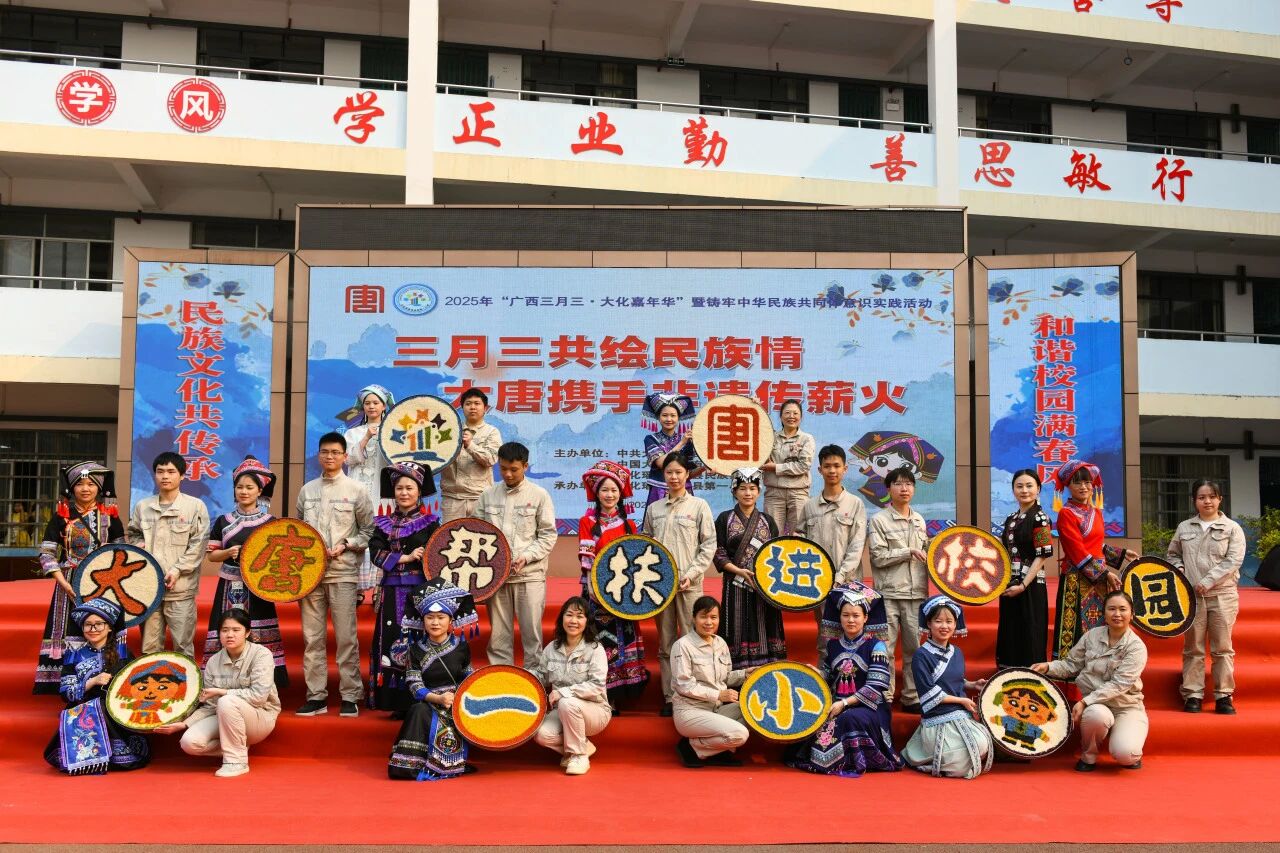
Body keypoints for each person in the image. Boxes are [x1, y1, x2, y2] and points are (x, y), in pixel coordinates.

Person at [295, 432, 376, 718]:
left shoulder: (356, 490)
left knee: (346, 638)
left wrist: (347, 545)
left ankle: (350, 695)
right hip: (311, 575)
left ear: (344, 456)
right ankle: (316, 696)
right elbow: (298, 532)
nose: (329, 457)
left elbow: (368, 530)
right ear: (319, 455)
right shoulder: (307, 491)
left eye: (335, 452)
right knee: (312, 638)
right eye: (325, 452)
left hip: (342, 572)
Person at [786, 587, 903, 776]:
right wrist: (815, 673)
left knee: (849, 718)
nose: (851, 620)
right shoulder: (833, 645)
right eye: (846, 615)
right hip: (837, 703)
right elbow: (829, 676)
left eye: (856, 616)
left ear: (865, 618)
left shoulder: (876, 646)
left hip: (869, 707)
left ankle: (848, 760)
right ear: (839, 617)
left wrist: (845, 703)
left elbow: (876, 686)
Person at [155, 609, 280, 777]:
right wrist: (185, 724)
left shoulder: (261, 654)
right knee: (189, 743)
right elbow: (210, 706)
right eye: (225, 630)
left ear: (247, 632)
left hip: (259, 716)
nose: (230, 635)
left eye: (236, 630)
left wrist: (222, 691)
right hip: (225, 715)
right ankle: (238, 746)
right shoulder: (213, 662)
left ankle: (236, 762)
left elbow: (258, 697)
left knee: (227, 700)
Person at [1034, 591, 1149, 772]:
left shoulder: (1136, 647)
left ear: (1132, 614)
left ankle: (1123, 735)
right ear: (1104, 613)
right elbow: (1071, 665)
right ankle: (1089, 755)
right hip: (1098, 705)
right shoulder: (1092, 636)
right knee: (1095, 715)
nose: (1117, 614)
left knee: (1126, 755)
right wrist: (1048, 667)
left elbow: (1120, 684)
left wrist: (1084, 701)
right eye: (1111, 609)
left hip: (1126, 706)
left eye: (1122, 609)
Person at [35, 461, 124, 694]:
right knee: (69, 627)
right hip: (70, 581)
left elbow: (122, 553)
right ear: (72, 488)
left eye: (91, 484)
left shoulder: (110, 517)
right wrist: (63, 583)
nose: (85, 489)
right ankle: (64, 681)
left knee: (102, 625)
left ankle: (106, 676)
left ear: (99, 488)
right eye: (80, 484)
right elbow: (47, 553)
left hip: (102, 583)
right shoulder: (61, 516)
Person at [643, 452, 717, 716]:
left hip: (690, 584)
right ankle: (670, 696)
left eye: (678, 472)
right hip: (660, 587)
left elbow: (708, 545)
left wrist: (692, 574)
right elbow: (645, 545)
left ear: (687, 475)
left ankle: (693, 695)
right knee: (666, 643)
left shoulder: (699, 506)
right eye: (669, 472)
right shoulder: (653, 509)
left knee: (692, 639)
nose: (674, 477)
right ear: (663, 475)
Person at [203, 457, 287, 688]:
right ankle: (221, 683)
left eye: (250, 487)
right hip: (229, 585)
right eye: (239, 487)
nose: (244, 491)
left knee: (258, 630)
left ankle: (262, 685)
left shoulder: (270, 523)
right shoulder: (224, 521)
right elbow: (212, 556)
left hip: (259, 588)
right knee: (228, 629)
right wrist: (228, 552)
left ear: (260, 491)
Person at [1167, 479, 1246, 715]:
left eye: (1212, 496)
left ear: (1220, 499)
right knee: (1193, 647)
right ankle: (1193, 694)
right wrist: (1180, 570)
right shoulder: (1184, 527)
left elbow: (1233, 560)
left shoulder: (1232, 528)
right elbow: (1173, 554)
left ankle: (1224, 696)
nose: (1207, 501)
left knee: (1222, 647)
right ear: (1194, 501)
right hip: (1192, 597)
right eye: (1201, 497)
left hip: (1223, 595)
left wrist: (1208, 581)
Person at [43, 598, 150, 774]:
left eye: (99, 624)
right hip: (82, 707)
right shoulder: (73, 655)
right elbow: (66, 692)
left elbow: (136, 685)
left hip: (117, 709)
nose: (93, 629)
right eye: (88, 625)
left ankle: (112, 754)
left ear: (109, 627)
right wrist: (92, 681)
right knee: (94, 707)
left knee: (103, 707)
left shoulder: (123, 652)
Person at [367, 461, 440, 715]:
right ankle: (394, 700)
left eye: (409, 488)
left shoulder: (431, 523)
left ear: (419, 491)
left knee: (419, 640)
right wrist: (406, 557)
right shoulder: (383, 524)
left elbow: (438, 556)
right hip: (390, 592)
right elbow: (375, 552)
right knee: (391, 639)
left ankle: (420, 698)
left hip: (419, 593)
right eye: (399, 488)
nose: (404, 493)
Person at [476, 442, 557, 669]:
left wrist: (527, 556)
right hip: (496, 578)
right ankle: (501, 679)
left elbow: (548, 535)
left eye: (514, 469)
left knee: (532, 635)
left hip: (529, 575)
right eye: (503, 469)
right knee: (499, 638)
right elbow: (477, 533)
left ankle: (534, 679)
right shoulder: (487, 495)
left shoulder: (539, 495)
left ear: (525, 466)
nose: (508, 474)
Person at [577, 460, 649, 710]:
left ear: (621, 493)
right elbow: (587, 559)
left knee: (623, 639)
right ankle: (600, 694)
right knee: (599, 640)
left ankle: (618, 695)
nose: (609, 495)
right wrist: (592, 589)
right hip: (596, 592)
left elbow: (634, 559)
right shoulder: (587, 522)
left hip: (624, 593)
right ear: (597, 494)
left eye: (614, 490)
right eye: (605, 490)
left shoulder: (629, 525)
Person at [388, 581, 477, 780]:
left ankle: (449, 760)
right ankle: (410, 764)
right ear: (423, 621)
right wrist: (438, 699)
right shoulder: (415, 649)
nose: (435, 623)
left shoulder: (461, 647)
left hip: (456, 704)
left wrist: (461, 696)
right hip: (429, 703)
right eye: (430, 618)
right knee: (417, 710)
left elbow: (468, 676)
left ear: (450, 620)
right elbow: (414, 684)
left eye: (440, 617)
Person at [1051, 460, 1138, 660]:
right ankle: (1070, 674)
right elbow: (1076, 550)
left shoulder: (1095, 511)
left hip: (1099, 579)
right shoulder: (1066, 514)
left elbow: (1095, 544)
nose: (1084, 487)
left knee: (1099, 624)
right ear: (1068, 486)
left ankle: (1099, 668)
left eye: (1087, 482)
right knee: (1075, 629)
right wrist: (1105, 573)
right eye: (1077, 483)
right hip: (1076, 579)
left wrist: (1121, 554)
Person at [126, 451, 210, 658]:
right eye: (160, 471)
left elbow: (198, 544)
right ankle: (152, 679)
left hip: (181, 588)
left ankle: (185, 679)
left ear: (182, 475)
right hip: (150, 588)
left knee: (182, 646)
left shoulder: (195, 506)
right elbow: (133, 533)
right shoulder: (143, 506)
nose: (165, 476)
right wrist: (139, 544)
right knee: (149, 648)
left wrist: (177, 570)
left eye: (171, 472)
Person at [902, 595, 993, 779]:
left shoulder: (956, 652)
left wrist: (972, 684)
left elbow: (953, 680)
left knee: (982, 743)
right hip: (937, 718)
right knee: (963, 756)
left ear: (955, 624)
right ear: (929, 624)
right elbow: (929, 693)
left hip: (960, 714)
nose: (944, 626)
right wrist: (962, 700)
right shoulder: (921, 655)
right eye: (938, 621)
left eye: (949, 621)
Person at [867, 466, 929, 712]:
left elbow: (927, 553)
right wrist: (908, 551)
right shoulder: (879, 520)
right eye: (899, 484)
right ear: (888, 488)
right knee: (886, 649)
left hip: (917, 593)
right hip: (889, 594)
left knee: (915, 649)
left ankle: (912, 697)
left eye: (909, 484)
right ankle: (885, 695)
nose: (904, 488)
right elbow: (878, 557)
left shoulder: (919, 520)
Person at [796, 445, 869, 651]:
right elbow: (801, 540)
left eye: (837, 466)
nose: (832, 470)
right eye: (827, 466)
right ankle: (825, 671)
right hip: (819, 583)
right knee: (825, 637)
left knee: (852, 634)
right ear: (819, 470)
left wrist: (840, 576)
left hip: (848, 582)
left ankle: (852, 673)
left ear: (845, 469)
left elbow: (857, 545)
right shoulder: (809, 506)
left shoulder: (855, 504)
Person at [713, 467, 785, 668]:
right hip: (735, 582)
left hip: (763, 585)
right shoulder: (724, 519)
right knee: (736, 626)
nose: (748, 493)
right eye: (742, 488)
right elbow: (718, 552)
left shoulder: (768, 521)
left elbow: (776, 553)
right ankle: (737, 673)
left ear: (759, 491)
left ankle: (768, 669)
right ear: (734, 491)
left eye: (752, 488)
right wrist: (739, 571)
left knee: (765, 624)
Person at [533, 597, 611, 775]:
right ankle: (584, 746)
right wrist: (518, 678)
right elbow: (541, 676)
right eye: (569, 615)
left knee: (567, 702)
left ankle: (578, 756)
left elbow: (597, 685)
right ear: (562, 618)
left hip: (594, 710)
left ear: (587, 621)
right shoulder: (552, 648)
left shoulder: (595, 649)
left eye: (579, 616)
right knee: (541, 735)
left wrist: (564, 692)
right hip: (561, 711)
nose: (573, 620)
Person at [671, 595, 751, 768]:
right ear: (694, 618)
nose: (709, 622)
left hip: (715, 709)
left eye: (713, 617)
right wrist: (718, 694)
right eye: (703, 617)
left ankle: (716, 751)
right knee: (740, 734)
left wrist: (746, 674)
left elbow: (725, 677)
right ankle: (691, 747)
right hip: (690, 711)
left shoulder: (720, 643)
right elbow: (683, 685)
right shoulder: (682, 645)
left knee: (754, 711)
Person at [996, 469, 1053, 668]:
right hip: (1009, 583)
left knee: (1030, 630)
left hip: (1031, 584)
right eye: (1019, 486)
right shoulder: (1011, 518)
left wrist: (1023, 585)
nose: (1024, 490)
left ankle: (1030, 675)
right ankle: (1008, 672)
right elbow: (1004, 550)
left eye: (1029, 486)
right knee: (1010, 629)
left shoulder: (1041, 518)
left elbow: (1042, 555)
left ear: (1038, 489)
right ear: (1013, 490)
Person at [343, 384, 394, 599]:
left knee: (383, 536)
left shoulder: (393, 431)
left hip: (383, 493)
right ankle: (356, 588)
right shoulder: (352, 432)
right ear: (362, 407)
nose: (371, 406)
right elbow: (348, 459)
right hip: (357, 490)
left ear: (384, 406)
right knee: (356, 535)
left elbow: (398, 460)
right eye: (367, 403)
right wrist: (365, 438)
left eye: (376, 402)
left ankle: (380, 588)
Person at [440, 387, 502, 521]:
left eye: (477, 403)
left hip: (480, 498)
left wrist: (470, 445)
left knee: (480, 534)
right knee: (450, 534)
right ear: (462, 408)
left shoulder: (492, 432)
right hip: (452, 499)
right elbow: (439, 458)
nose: (472, 407)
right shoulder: (450, 431)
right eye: (468, 404)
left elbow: (491, 459)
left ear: (485, 408)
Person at [640, 393, 702, 515]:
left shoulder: (687, 440)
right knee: (657, 523)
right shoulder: (651, 439)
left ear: (678, 418)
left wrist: (705, 467)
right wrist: (682, 442)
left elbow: (688, 473)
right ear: (658, 417)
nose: (669, 419)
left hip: (683, 490)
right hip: (659, 492)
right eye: (665, 415)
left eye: (673, 415)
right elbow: (661, 463)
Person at [761, 399, 814, 535]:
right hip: (774, 493)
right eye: (787, 413)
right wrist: (755, 407)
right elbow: (755, 434)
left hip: (798, 493)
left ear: (801, 417)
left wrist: (776, 467)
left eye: (795, 413)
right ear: (780, 416)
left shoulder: (806, 439)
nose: (791, 416)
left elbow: (803, 466)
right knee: (772, 536)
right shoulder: (771, 437)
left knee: (799, 536)